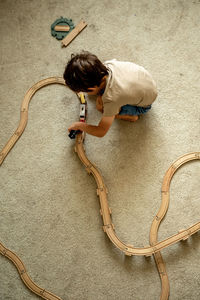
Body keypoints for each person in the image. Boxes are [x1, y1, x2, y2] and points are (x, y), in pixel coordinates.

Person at [63, 51, 157, 138]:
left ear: (91, 89)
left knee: (101, 107)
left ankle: (131, 116)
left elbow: (101, 131)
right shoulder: (108, 64)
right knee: (104, 99)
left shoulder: (111, 99)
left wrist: (80, 125)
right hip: (147, 82)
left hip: (143, 105)